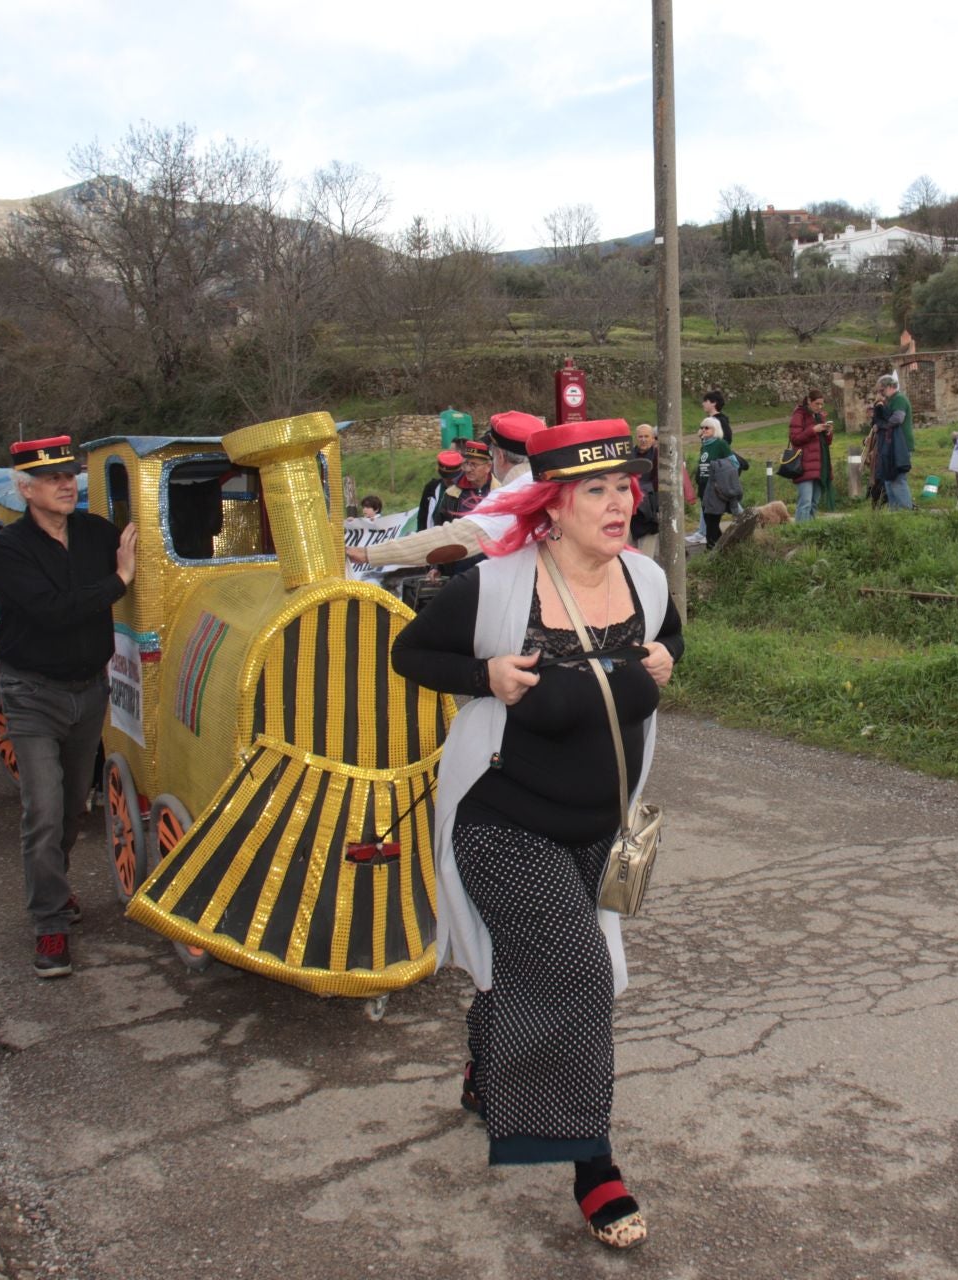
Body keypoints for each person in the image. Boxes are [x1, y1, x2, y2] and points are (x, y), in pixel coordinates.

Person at [390, 418, 681, 1252]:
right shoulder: (496, 587)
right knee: (582, 974)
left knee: (530, 965)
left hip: (598, 828)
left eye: (623, 486)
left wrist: (661, 659)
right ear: (550, 508)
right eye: (595, 490)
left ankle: (487, 1068)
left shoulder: (648, 583)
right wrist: (482, 674)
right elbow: (412, 654)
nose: (618, 502)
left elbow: (669, 647)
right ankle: (594, 1164)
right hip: (503, 822)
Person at [0, 436, 138, 978]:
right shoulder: (6, 551)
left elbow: (156, 543)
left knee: (73, 807)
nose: (67, 484)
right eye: (52, 479)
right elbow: (52, 612)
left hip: (89, 692)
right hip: (30, 694)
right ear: (25, 489)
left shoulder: (98, 534)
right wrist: (118, 581)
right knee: (43, 810)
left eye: (69, 475)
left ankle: (57, 884)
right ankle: (49, 925)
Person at [351, 412, 542, 569]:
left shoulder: (514, 495)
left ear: (499, 456)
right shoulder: (559, 482)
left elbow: (451, 538)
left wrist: (368, 553)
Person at [869, 374, 914, 510]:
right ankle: (894, 514)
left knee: (897, 479)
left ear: (889, 387)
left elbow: (897, 419)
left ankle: (905, 512)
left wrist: (881, 424)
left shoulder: (899, 399)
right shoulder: (891, 400)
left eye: (881, 390)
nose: (880, 394)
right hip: (891, 445)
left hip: (900, 445)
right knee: (888, 480)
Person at [788, 390, 832, 522]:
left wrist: (829, 433)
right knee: (805, 503)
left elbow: (826, 443)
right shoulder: (799, 415)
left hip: (820, 465)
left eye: (821, 404)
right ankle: (800, 534)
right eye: (817, 404)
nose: (819, 407)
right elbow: (795, 438)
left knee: (814, 503)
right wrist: (813, 430)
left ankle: (811, 532)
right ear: (809, 401)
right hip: (804, 465)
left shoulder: (820, 417)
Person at [697, 416, 741, 547]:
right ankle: (723, 548)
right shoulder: (704, 446)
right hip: (703, 488)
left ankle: (711, 550)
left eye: (707, 427)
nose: (703, 430)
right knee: (708, 520)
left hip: (715, 489)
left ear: (715, 429)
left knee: (712, 521)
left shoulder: (721, 444)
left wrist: (718, 470)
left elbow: (734, 463)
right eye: (702, 427)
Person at [628, 424, 661, 554]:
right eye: (640, 436)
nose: (643, 439)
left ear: (653, 438)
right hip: (631, 510)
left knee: (646, 554)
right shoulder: (629, 455)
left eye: (646, 436)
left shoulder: (658, 455)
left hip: (650, 510)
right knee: (629, 553)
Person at [415, 450, 464, 532]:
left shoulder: (466, 491)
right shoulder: (431, 488)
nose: (447, 480)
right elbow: (422, 519)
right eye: (444, 476)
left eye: (451, 477)